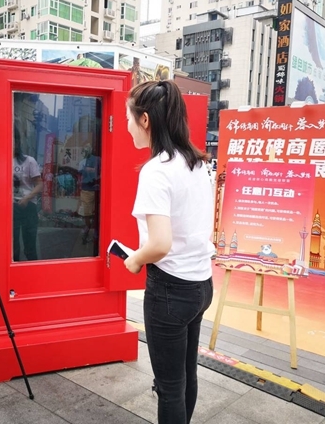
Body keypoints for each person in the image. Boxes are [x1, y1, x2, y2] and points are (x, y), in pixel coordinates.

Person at [124, 80, 214, 424]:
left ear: (145, 120)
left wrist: (135, 259)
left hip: (170, 291)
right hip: (201, 284)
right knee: (186, 376)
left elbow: (160, 244)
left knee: (170, 388)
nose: (128, 126)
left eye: (129, 118)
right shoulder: (196, 163)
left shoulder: (156, 171)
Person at [12, 127, 43, 261]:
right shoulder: (1, 161)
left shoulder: (29, 161)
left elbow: (40, 184)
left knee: (30, 246)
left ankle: (32, 270)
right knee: (12, 247)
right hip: (10, 208)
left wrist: (27, 198)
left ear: (18, 142)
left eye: (13, 141)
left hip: (28, 206)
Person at [78, 143, 101, 244]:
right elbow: (80, 175)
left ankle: (94, 233)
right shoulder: (82, 162)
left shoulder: (97, 160)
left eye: (87, 148)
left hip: (96, 189)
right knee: (87, 212)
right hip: (86, 189)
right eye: (84, 149)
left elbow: (102, 172)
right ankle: (88, 230)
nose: (85, 151)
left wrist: (92, 171)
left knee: (96, 212)